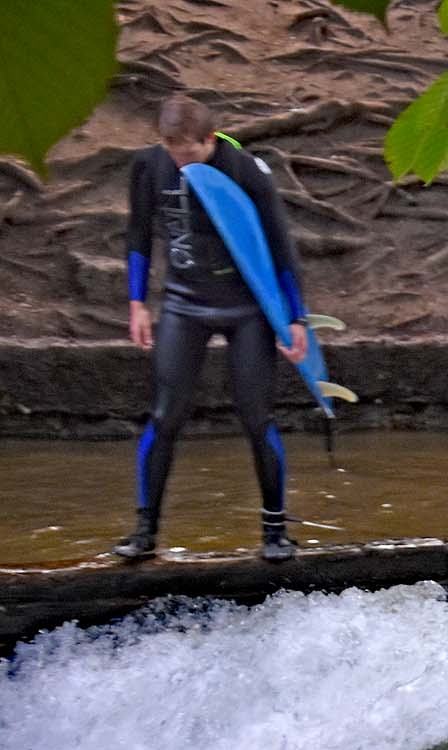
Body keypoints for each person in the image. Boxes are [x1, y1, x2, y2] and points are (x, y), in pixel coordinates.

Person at [117, 95, 313, 564]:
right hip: (184, 304)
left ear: (209, 140)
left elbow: (281, 247)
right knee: (166, 415)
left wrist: (295, 318)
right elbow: (139, 235)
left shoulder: (245, 170)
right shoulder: (148, 168)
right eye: (170, 149)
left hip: (247, 309)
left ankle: (275, 530)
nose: (178, 160)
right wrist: (137, 303)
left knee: (255, 416)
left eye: (187, 151)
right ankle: (144, 532)